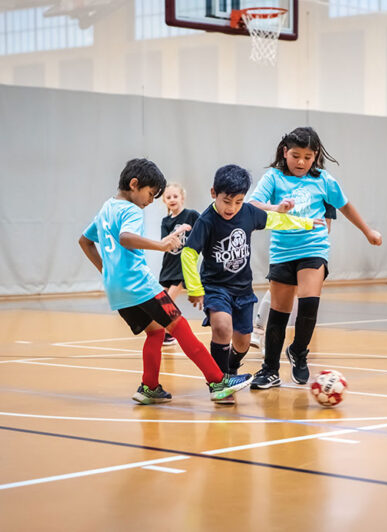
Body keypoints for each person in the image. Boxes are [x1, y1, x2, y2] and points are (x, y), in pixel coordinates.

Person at [78, 158, 252, 404]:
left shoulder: (107, 208)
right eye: (150, 194)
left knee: (155, 332)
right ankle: (218, 381)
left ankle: (149, 387)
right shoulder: (130, 210)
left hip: (116, 291)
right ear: (134, 184)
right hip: (140, 285)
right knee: (180, 327)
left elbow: (84, 241)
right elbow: (126, 237)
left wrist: (107, 271)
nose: (151, 201)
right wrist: (161, 245)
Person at [248, 127, 382, 389]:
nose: (301, 162)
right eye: (296, 156)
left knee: (309, 303)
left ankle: (298, 351)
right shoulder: (274, 178)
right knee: (279, 311)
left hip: (313, 247)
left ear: (316, 155)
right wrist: (276, 208)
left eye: (307, 157)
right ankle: (270, 370)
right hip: (282, 251)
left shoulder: (323, 179)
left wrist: (367, 231)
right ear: (285, 152)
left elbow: (345, 206)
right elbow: (252, 205)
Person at [181, 164, 319, 403]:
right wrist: (194, 288)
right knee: (222, 327)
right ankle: (219, 381)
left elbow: (276, 220)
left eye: (238, 201)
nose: (231, 208)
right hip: (216, 287)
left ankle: (231, 366)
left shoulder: (248, 213)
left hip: (243, 290)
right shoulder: (206, 220)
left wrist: (305, 223)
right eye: (226, 201)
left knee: (243, 342)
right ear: (214, 193)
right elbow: (188, 253)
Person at [250, 201, 337, 349]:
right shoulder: (290, 194)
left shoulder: (327, 195)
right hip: (287, 248)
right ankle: (258, 331)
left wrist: (311, 232)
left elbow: (326, 227)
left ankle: (263, 337)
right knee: (279, 292)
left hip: (308, 251)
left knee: (293, 298)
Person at [158, 183, 200, 346]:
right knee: (161, 303)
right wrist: (179, 230)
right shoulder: (165, 221)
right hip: (168, 266)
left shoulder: (191, 215)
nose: (172, 199)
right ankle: (169, 332)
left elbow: (205, 228)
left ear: (182, 198)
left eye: (175, 196)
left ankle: (170, 333)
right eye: (168, 197)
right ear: (164, 201)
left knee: (168, 301)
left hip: (182, 267)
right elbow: (163, 242)